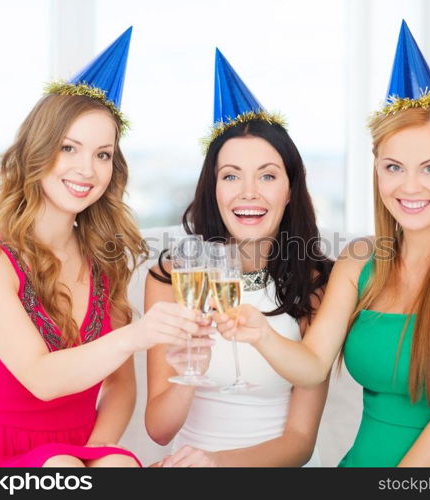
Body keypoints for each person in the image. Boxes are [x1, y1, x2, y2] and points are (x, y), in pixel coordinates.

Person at [215, 21, 430, 467]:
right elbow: (312, 366)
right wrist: (259, 333)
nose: (410, 186)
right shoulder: (359, 261)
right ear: (377, 168)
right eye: (394, 167)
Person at [0, 27, 205, 468]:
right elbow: (42, 379)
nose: (87, 169)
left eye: (103, 154)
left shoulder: (104, 263)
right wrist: (136, 335)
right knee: (61, 469)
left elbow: (121, 389)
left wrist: (95, 458)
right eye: (69, 148)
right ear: (37, 152)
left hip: (76, 456)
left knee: (113, 464)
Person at [144, 49, 333, 467]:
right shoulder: (171, 277)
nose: (249, 192)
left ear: (289, 189)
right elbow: (158, 429)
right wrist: (192, 370)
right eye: (231, 176)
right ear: (214, 188)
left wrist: (216, 465)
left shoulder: (316, 281)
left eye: (267, 175)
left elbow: (300, 442)